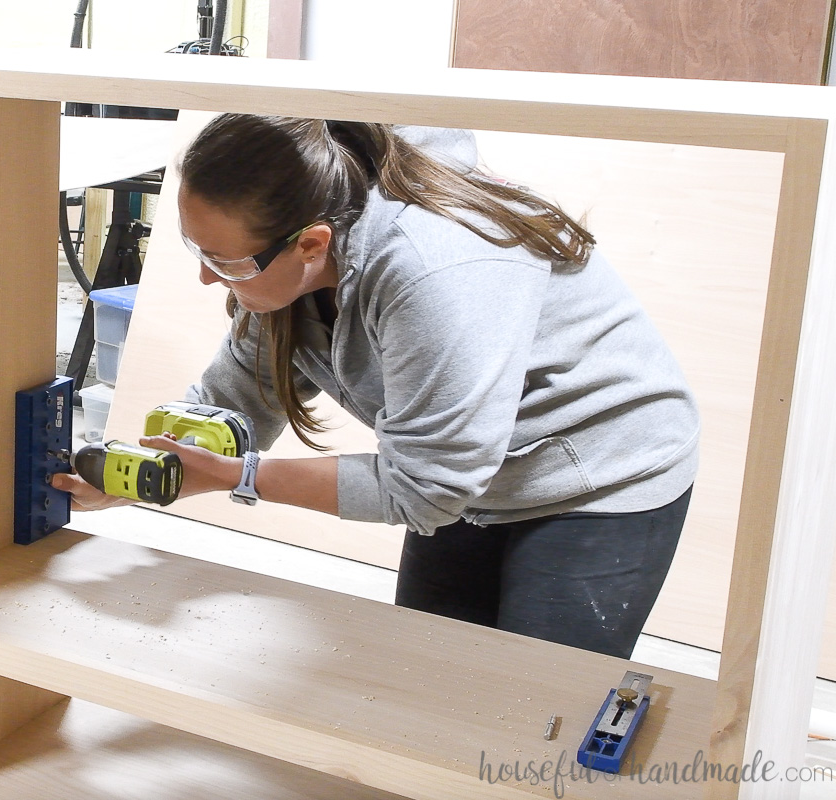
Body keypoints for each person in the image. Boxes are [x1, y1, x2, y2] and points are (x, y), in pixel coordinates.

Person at [52, 114, 699, 660]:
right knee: (428, 682)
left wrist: (235, 476)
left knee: (535, 719)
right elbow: (237, 402)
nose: (205, 281)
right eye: (197, 251)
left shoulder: (435, 269)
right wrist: (140, 472)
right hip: (467, 473)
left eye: (223, 263)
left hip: (600, 478)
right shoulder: (304, 248)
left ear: (311, 243)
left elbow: (426, 488)